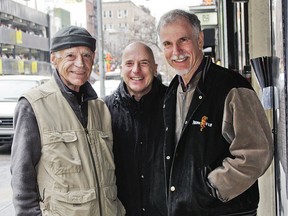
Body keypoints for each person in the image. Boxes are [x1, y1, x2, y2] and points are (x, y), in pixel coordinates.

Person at [156, 9, 274, 216]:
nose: (176, 51)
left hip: (225, 212)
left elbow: (256, 152)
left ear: (200, 39)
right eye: (167, 44)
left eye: (183, 40)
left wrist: (211, 188)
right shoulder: (172, 93)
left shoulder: (231, 87)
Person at [11, 26, 125, 216]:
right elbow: (22, 179)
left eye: (86, 56)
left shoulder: (100, 108)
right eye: (70, 56)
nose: (80, 63)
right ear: (54, 59)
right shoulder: (33, 105)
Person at [104, 42, 168, 216]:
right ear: (121, 68)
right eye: (129, 63)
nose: (136, 70)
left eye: (144, 63)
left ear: (155, 68)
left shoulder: (174, 104)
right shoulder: (104, 110)